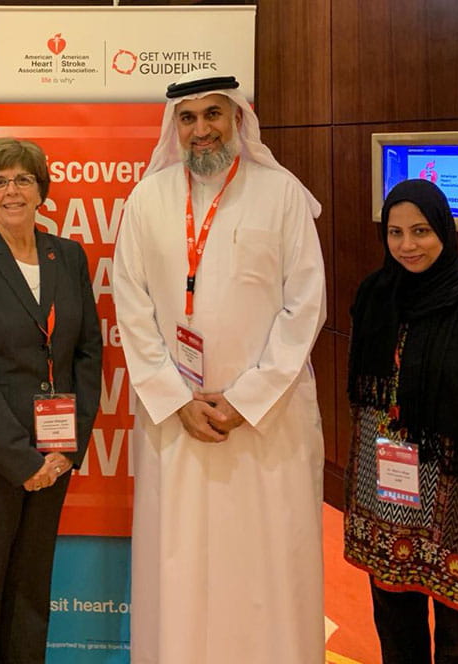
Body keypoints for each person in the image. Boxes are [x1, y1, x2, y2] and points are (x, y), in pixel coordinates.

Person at [112, 73, 327, 663]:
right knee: (177, 564)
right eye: (188, 118)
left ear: (237, 120)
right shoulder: (146, 200)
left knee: (267, 562)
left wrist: (246, 398)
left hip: (265, 426)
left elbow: (305, 305)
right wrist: (177, 399)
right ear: (173, 127)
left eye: (213, 115)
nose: (201, 129)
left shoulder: (281, 193)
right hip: (175, 422)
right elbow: (131, 309)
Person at [0, 138, 102, 664]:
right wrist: (20, 458)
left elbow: (87, 354)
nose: (13, 190)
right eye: (0, 182)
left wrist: (65, 450)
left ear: (42, 191)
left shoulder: (68, 255)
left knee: (31, 591)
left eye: (23, 179)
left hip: (53, 454)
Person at [344, 179, 458, 663]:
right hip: (387, 488)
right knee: (396, 624)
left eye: (420, 231)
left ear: (443, 229)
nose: (407, 245)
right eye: (395, 232)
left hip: (456, 490)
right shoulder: (376, 295)